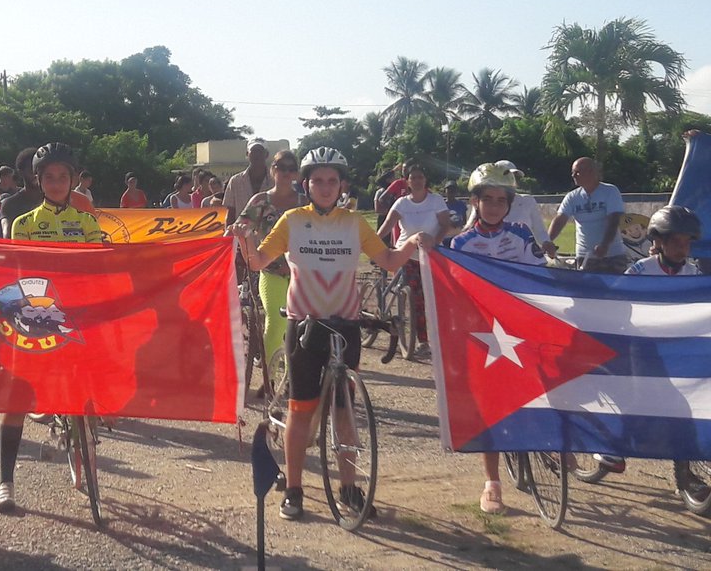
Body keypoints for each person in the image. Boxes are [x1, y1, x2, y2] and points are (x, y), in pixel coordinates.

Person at [231, 146, 431, 521]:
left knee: (344, 414)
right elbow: (258, 261)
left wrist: (409, 245)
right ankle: (293, 490)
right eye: (318, 180)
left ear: (342, 185)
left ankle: (349, 490)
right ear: (306, 184)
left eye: (332, 181)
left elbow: (386, 260)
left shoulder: (354, 222)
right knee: (301, 411)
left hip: (345, 327)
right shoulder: (292, 220)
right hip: (305, 325)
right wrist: (244, 240)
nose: (325, 187)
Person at [0, 142, 104, 513]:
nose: (57, 183)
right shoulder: (24, 224)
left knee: (90, 383)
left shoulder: (88, 222)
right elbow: (20, 277)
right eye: (49, 177)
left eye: (63, 177)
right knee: (17, 398)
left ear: (73, 181)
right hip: (36, 318)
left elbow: (96, 269)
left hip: (75, 316)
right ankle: (5, 483)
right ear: (38, 181)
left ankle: (85, 439)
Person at [450, 163, 546, 514]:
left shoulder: (521, 235)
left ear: (509, 203)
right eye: (486, 199)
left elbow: (540, 278)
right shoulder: (460, 243)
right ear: (475, 202)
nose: (493, 206)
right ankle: (492, 482)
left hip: (520, 327)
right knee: (490, 407)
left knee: (541, 389)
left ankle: (556, 445)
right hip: (485, 337)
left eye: (500, 200)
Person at [596, 206, 708, 479]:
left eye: (687, 243)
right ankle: (615, 449)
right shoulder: (640, 270)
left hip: (679, 346)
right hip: (643, 345)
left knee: (691, 400)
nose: (683, 249)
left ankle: (687, 461)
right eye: (676, 242)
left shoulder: (693, 274)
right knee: (640, 395)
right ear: (657, 242)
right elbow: (616, 303)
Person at [236, 150, 306, 370]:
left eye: (291, 168)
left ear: (296, 174)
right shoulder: (260, 201)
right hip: (271, 272)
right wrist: (239, 235)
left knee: (302, 328)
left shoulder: (306, 202)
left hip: (303, 275)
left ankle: (296, 375)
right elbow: (242, 227)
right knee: (275, 323)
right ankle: (269, 379)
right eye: (281, 167)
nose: (286, 172)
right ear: (272, 169)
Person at [376, 164, 452, 355]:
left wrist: (435, 241)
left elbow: (445, 225)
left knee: (436, 298)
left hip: (431, 255)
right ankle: (423, 341)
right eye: (413, 177)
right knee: (416, 297)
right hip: (407, 254)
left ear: (425, 180)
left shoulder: (435, 201)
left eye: (420, 177)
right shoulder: (402, 203)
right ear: (407, 181)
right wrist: (374, 243)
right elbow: (387, 225)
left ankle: (443, 336)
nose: (417, 180)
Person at [547, 157, 629, 273]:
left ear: (591, 171)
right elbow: (560, 219)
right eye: (572, 172)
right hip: (585, 257)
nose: (573, 175)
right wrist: (547, 241)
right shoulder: (572, 197)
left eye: (577, 172)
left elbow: (614, 220)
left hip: (613, 255)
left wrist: (605, 244)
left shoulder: (610, 191)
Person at [465, 160, 557, 257]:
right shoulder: (484, 204)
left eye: (516, 177)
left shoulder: (528, 201)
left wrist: (546, 243)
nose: (513, 180)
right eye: (510, 176)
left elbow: (539, 229)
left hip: (520, 255)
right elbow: (470, 225)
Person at [224, 140, 274, 225]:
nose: (257, 155)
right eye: (253, 151)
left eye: (260, 151)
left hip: (270, 234)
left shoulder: (275, 181)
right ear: (247, 154)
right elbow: (230, 213)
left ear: (266, 154)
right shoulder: (235, 181)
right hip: (241, 233)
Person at [0, 148, 45, 238]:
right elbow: (7, 238)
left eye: (38, 168)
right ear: (21, 172)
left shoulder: (54, 200)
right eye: (31, 169)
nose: (35, 173)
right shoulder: (10, 204)